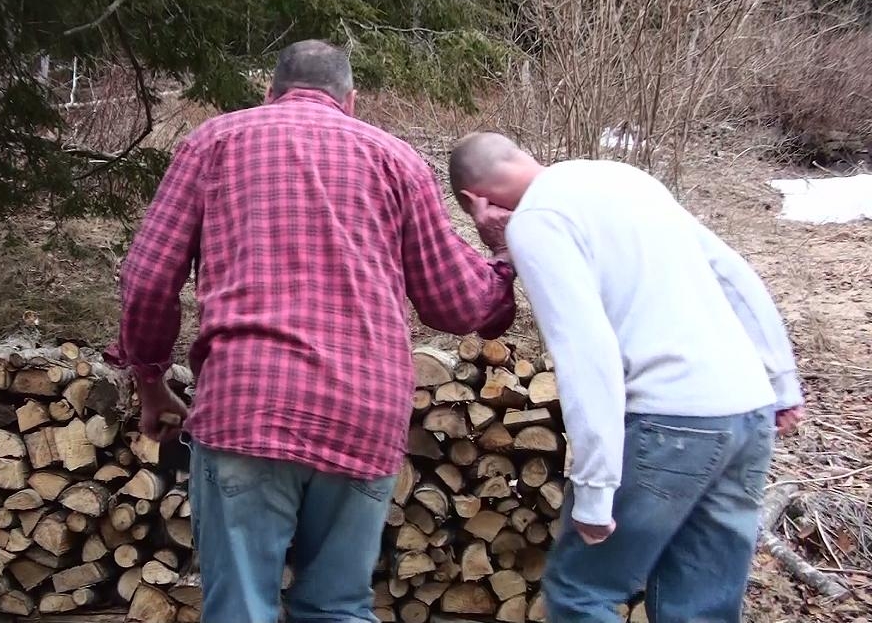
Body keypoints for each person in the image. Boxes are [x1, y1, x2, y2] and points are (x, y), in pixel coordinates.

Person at [118, 41, 518, 623]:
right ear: (350, 101)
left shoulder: (214, 141)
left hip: (246, 405)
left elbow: (148, 278)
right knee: (337, 608)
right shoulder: (398, 161)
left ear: (269, 93)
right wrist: (502, 260)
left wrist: (151, 382)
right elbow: (456, 304)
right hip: (363, 412)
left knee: (240, 610)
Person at [448, 132, 805, 622]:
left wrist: (596, 490)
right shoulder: (624, 178)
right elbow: (733, 273)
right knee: (699, 607)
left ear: (475, 200)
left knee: (580, 592)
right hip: (747, 411)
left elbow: (586, 351)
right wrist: (782, 384)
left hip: (669, 424)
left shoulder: (537, 220)